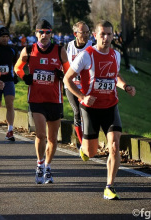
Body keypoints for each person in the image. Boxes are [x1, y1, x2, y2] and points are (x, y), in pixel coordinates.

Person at [63, 20, 136, 200]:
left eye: (109, 34)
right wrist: (82, 96)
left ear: (112, 36)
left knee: (114, 146)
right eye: (102, 34)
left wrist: (125, 86)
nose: (106, 37)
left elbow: (115, 75)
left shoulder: (115, 55)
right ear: (95, 36)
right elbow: (67, 79)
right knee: (91, 152)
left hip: (110, 106)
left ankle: (109, 186)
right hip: (90, 109)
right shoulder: (86, 55)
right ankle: (84, 148)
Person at [14, 19, 70, 184]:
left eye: (47, 32)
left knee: (53, 138)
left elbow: (69, 72)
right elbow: (17, 68)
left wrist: (62, 76)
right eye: (41, 32)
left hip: (55, 100)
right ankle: (39, 164)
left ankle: (48, 166)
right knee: (41, 134)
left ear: (51, 34)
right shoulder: (29, 50)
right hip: (36, 99)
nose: (44, 35)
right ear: (36, 33)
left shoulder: (60, 51)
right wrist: (26, 77)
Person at [66, 21, 93, 146]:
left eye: (88, 32)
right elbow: (65, 65)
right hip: (72, 85)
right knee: (77, 111)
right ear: (75, 34)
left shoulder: (91, 46)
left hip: (87, 86)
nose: (86, 35)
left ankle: (89, 140)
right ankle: (82, 144)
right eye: (83, 32)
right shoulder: (69, 46)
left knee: (87, 112)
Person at [0, 27, 19, 141]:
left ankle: (10, 130)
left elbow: (16, 63)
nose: (5, 39)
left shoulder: (12, 50)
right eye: (3, 37)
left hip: (8, 80)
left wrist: (15, 76)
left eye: (7, 37)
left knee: (10, 103)